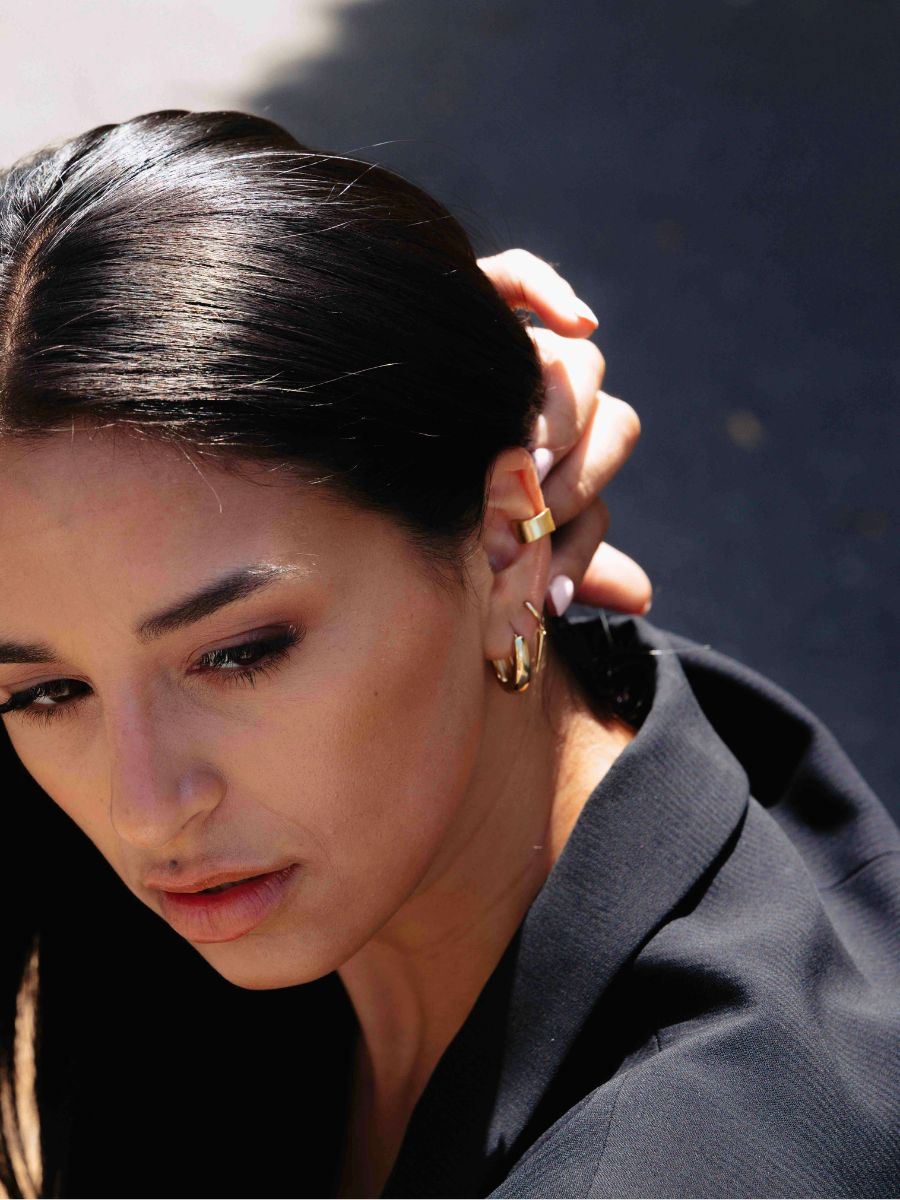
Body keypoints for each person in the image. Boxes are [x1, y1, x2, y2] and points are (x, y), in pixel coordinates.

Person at [0, 110, 896, 1200]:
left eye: (238, 654)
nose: (144, 811)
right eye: (48, 691)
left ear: (508, 543)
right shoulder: (264, 870)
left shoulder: (686, 1157)